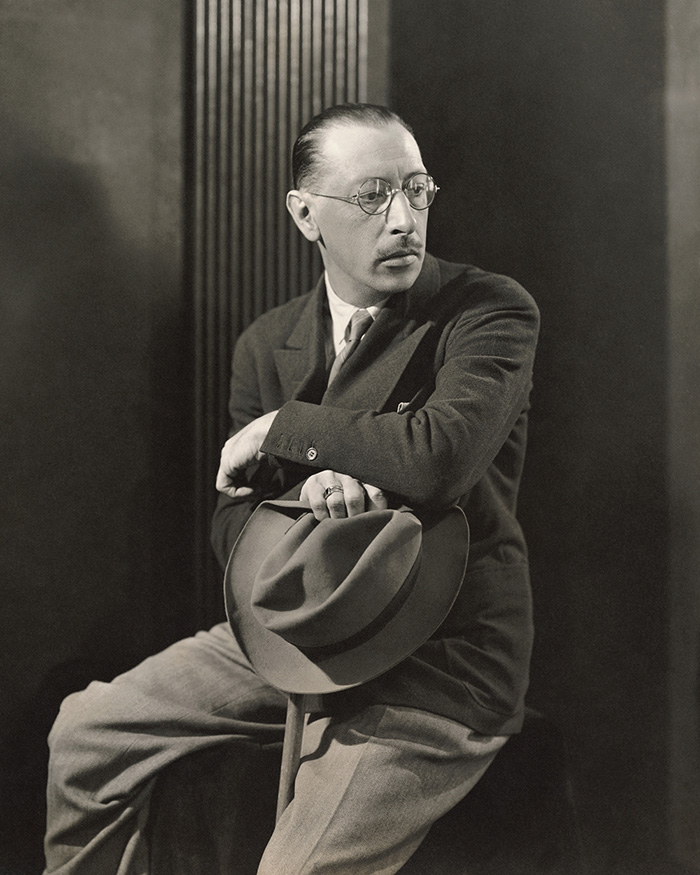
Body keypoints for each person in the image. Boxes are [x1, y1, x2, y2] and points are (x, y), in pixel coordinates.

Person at [44, 103, 540, 874]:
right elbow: (233, 519)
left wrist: (285, 426)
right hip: (297, 627)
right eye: (372, 195)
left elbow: (439, 456)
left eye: (417, 190)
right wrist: (310, 509)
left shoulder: (487, 311)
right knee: (87, 732)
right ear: (305, 215)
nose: (403, 219)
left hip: (437, 655)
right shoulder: (266, 341)